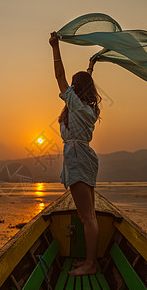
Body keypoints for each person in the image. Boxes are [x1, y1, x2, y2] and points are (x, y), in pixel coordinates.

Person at [49, 31, 101, 276]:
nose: (68, 85)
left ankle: (91, 264)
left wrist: (55, 46)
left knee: (87, 217)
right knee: (88, 215)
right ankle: (90, 261)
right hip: (84, 157)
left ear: (76, 88)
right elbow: (85, 83)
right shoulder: (85, 108)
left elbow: (59, 76)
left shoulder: (78, 107)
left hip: (79, 158)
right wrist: (90, 67)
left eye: (73, 83)